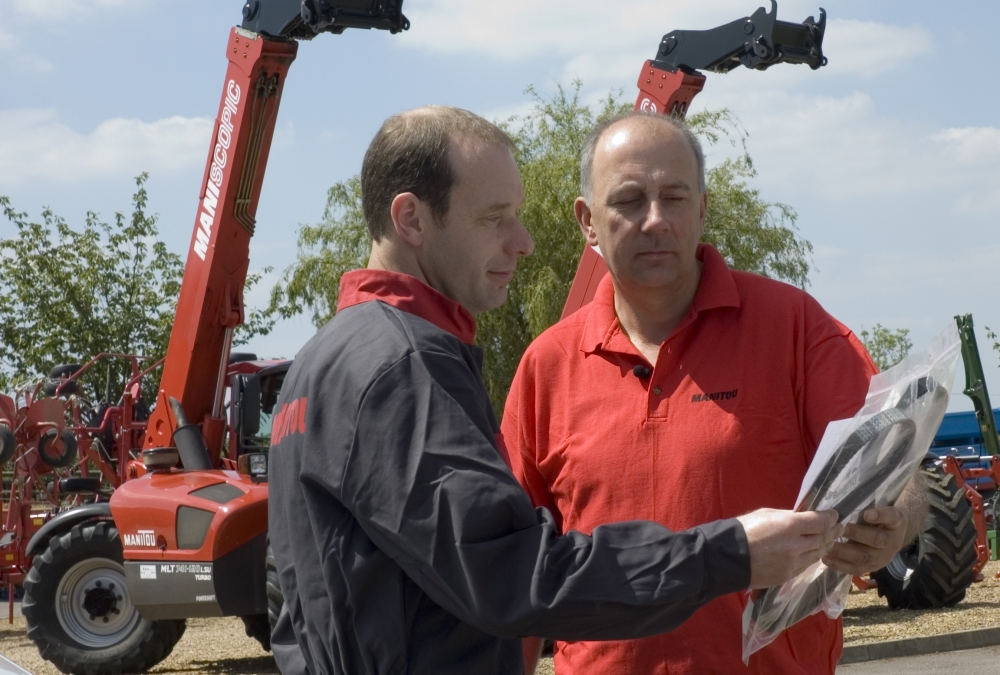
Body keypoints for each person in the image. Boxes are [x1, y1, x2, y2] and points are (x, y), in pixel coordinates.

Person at [267, 106, 845, 675]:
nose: (523, 242)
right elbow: (513, 574)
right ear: (412, 220)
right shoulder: (407, 363)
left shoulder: (318, 364)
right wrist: (729, 554)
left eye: (674, 197)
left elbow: (300, 610)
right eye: (495, 217)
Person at [502, 110, 928, 675]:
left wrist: (895, 522)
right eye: (628, 200)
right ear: (587, 221)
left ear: (702, 207)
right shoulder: (546, 368)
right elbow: (512, 568)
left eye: (674, 198)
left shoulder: (794, 329)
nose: (654, 220)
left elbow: (905, 475)